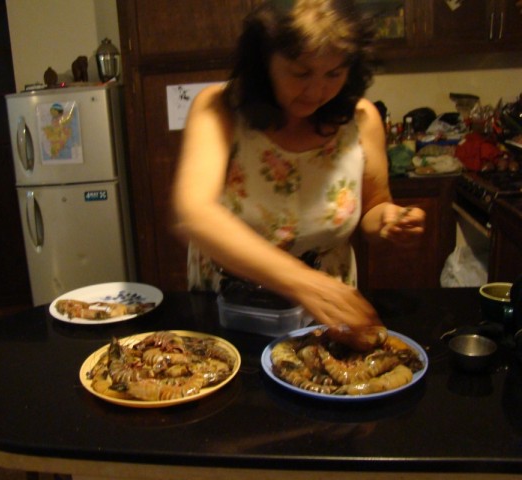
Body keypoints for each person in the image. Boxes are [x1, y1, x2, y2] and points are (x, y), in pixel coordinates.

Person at [171, 0, 426, 346]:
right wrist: (303, 282)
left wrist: (388, 220)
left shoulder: (362, 120)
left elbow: (373, 207)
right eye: (301, 73)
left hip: (327, 316)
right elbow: (194, 214)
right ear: (264, 62)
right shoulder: (219, 109)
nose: (317, 91)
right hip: (231, 308)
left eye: (334, 74)